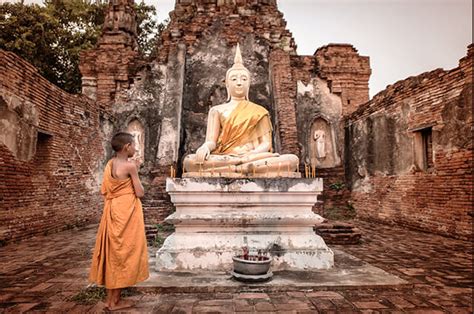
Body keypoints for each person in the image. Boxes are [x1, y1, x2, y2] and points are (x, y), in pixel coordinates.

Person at [183, 44, 299, 176]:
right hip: (225, 158)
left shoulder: (259, 111)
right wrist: (204, 148)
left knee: (292, 161)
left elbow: (266, 144)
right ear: (227, 84)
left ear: (248, 84)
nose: (239, 83)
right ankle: (242, 169)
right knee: (189, 161)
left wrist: (249, 156)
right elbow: (211, 141)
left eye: (244, 79)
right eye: (234, 79)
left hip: (252, 158)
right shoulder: (216, 110)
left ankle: (237, 168)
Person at [89, 132, 149, 311]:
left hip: (114, 210)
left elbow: (107, 190)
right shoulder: (130, 166)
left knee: (113, 254)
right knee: (124, 253)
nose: (136, 148)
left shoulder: (110, 164)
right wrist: (136, 168)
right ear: (126, 147)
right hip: (127, 212)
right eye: (134, 145)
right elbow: (140, 193)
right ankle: (114, 302)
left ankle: (112, 301)